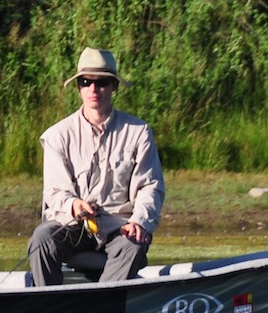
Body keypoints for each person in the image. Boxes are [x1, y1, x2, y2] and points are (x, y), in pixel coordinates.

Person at [27, 48, 165, 285]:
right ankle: (49, 311)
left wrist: (139, 221)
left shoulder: (139, 132)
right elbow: (55, 192)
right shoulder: (57, 135)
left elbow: (150, 187)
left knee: (133, 245)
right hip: (71, 226)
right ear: (79, 87)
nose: (93, 89)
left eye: (101, 82)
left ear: (114, 87)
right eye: (85, 82)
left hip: (119, 227)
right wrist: (73, 205)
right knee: (41, 239)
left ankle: (100, 308)